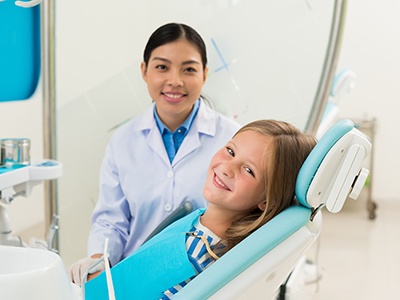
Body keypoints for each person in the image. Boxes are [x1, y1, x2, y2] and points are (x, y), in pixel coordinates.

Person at [68, 22, 240, 284]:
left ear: (204, 74)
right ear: (144, 71)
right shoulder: (123, 141)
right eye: (162, 67)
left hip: (204, 279)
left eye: (189, 69)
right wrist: (98, 261)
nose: (175, 81)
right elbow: (111, 221)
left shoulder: (231, 138)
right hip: (135, 276)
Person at [83, 119, 317, 300]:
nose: (227, 167)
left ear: (267, 202)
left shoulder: (195, 254)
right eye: (231, 151)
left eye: (249, 170)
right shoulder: (200, 228)